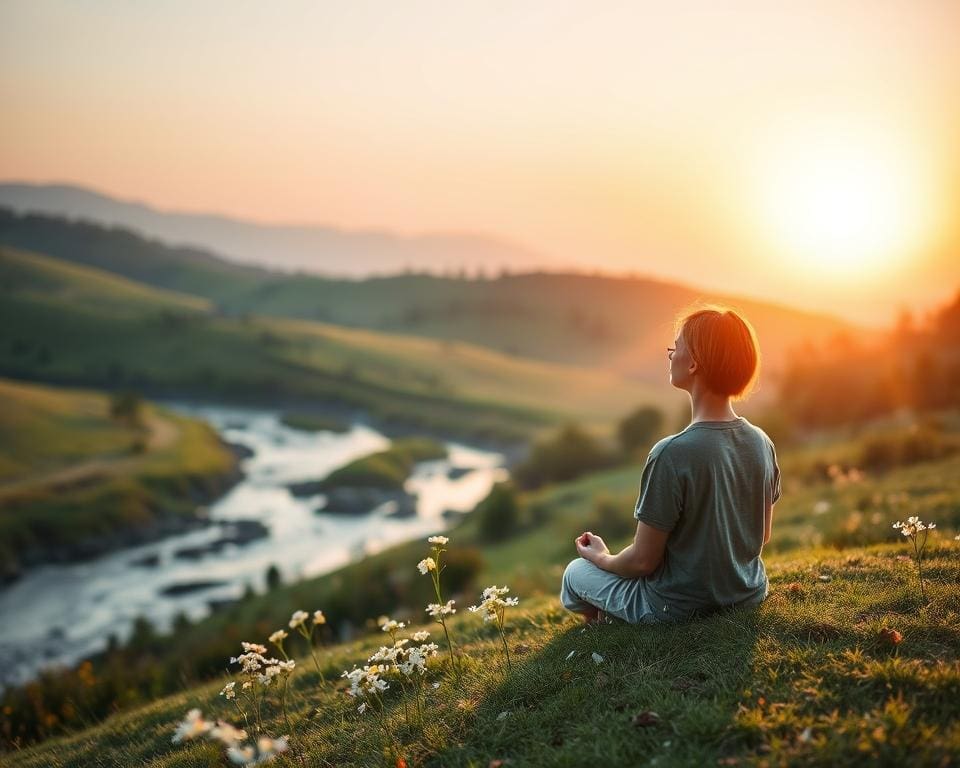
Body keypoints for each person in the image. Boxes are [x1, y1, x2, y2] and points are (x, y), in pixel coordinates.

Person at [560, 304, 781, 624]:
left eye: (675, 347)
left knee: (576, 572)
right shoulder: (762, 442)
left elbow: (641, 563)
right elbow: (762, 536)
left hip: (675, 609)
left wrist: (602, 557)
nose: (670, 355)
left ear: (693, 363)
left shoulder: (671, 453)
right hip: (747, 595)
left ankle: (606, 623)